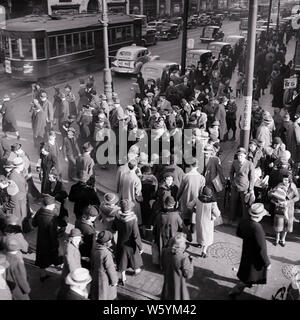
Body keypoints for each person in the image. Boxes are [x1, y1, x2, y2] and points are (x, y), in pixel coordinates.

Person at [229, 203, 271, 300]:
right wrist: (267, 263)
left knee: (247, 271)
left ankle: (248, 282)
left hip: (246, 251)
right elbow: (262, 249)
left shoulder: (244, 221)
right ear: (259, 216)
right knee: (248, 276)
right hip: (255, 257)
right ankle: (234, 292)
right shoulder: (258, 228)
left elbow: (238, 233)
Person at [112, 199, 143, 286]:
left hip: (121, 242)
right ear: (129, 209)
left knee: (122, 260)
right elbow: (136, 235)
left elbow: (113, 227)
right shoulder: (132, 220)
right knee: (134, 256)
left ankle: (123, 278)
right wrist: (140, 246)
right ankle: (136, 270)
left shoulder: (117, 217)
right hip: (130, 243)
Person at [32, 194, 62, 281]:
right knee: (53, 256)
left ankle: (43, 275)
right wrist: (55, 246)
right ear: (50, 205)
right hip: (49, 242)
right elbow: (53, 235)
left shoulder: (40, 211)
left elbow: (34, 223)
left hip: (41, 239)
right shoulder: (51, 218)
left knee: (42, 258)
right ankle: (58, 267)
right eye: (53, 204)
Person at [188, 186, 221, 257]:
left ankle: (200, 243)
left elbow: (189, 205)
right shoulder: (212, 203)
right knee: (207, 236)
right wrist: (214, 215)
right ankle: (204, 251)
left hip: (199, 220)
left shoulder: (198, 199)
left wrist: (195, 211)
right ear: (211, 194)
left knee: (200, 232)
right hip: (208, 222)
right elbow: (217, 214)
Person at [161, 233, 194, 300]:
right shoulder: (184, 258)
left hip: (167, 281)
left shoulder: (164, 251)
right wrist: (191, 263)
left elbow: (162, 264)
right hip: (178, 285)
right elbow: (188, 275)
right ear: (181, 246)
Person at [177, 159, 205, 233]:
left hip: (185, 199)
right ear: (198, 166)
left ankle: (185, 230)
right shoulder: (202, 178)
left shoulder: (186, 176)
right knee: (194, 215)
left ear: (190, 166)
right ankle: (193, 230)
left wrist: (177, 198)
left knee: (185, 215)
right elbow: (202, 191)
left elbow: (180, 189)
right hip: (196, 200)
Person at [229, 147, 256, 223]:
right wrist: (232, 181)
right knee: (233, 202)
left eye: (241, 155)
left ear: (245, 155)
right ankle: (232, 218)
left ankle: (245, 220)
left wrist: (251, 188)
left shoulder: (249, 164)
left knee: (245, 205)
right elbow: (231, 172)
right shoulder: (235, 162)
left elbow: (252, 177)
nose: (239, 157)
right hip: (235, 186)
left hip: (245, 187)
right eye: (238, 155)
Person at [90, 230, 118, 300]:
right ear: (106, 243)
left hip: (96, 276)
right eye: (110, 241)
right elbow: (110, 268)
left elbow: (92, 264)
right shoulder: (106, 253)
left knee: (97, 294)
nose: (111, 242)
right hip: (105, 279)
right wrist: (114, 281)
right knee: (105, 295)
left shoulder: (95, 249)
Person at [119, 159, 143, 226]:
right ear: (135, 167)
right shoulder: (136, 179)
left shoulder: (124, 175)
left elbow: (121, 185)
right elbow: (138, 193)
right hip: (133, 201)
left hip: (125, 199)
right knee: (135, 218)